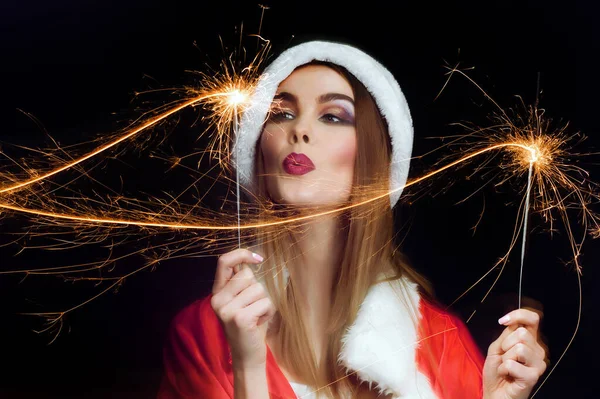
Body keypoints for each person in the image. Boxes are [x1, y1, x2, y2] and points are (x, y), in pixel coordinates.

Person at [158, 41, 547, 399]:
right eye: (282, 113)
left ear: (373, 157)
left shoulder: (438, 338)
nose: (300, 130)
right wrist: (248, 365)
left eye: (332, 116)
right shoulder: (201, 333)